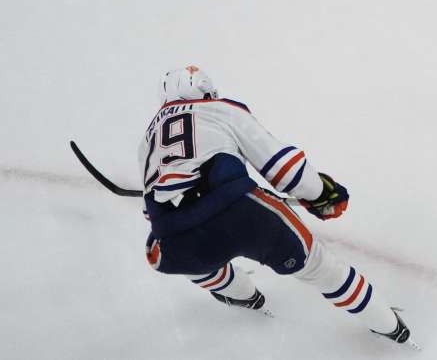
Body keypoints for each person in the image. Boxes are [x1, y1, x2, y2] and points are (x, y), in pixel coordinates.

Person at [139, 66, 415, 346]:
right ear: (204, 90)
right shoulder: (219, 109)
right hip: (243, 213)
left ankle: (243, 295)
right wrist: (320, 193)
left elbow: (151, 211)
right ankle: (389, 326)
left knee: (192, 257)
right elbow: (284, 167)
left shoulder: (146, 142)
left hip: (175, 239)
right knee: (320, 268)